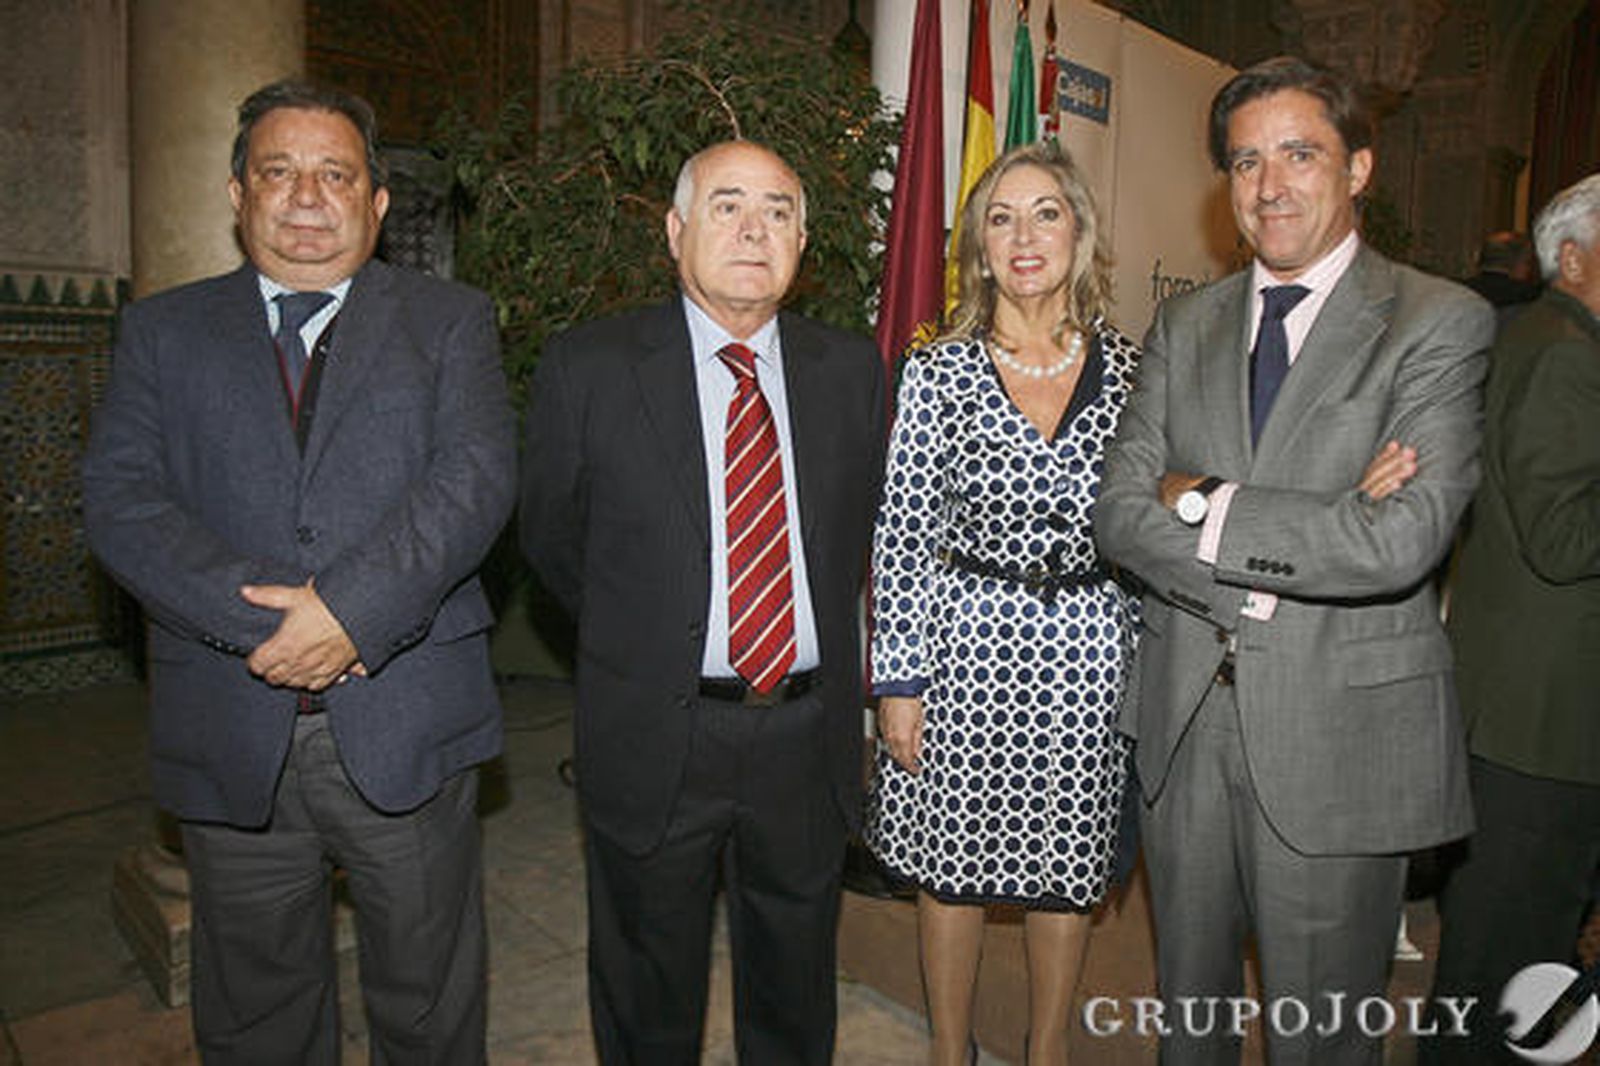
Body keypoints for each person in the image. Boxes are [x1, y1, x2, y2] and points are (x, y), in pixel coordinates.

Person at [81, 80, 514, 1063]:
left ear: (378, 202)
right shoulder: (163, 331)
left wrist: (352, 613)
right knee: (257, 1017)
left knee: (431, 1009)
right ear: (239, 195)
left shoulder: (450, 320)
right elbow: (121, 502)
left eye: (336, 174)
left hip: (408, 717)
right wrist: (279, 628)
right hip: (232, 724)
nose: (307, 196)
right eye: (279, 172)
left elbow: (475, 481)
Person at [1093, 55, 1492, 1065]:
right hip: (1184, 728)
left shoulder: (1437, 321)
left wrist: (1202, 497)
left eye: (1299, 155)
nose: (1269, 186)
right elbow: (1119, 513)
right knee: (1190, 1021)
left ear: (1357, 167)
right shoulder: (1186, 323)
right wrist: (1319, 524)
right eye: (1245, 162)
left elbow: (1398, 540)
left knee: (1321, 1035)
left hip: (1336, 737)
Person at [520, 140, 886, 1064]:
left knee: (796, 993)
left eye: (778, 211)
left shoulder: (851, 372)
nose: (754, 229)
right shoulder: (590, 367)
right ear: (676, 230)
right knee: (648, 993)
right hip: (657, 732)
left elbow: (868, 535)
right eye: (728, 206)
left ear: (803, 243)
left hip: (805, 736)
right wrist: (646, 639)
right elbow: (553, 541)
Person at [866, 141, 1139, 1066]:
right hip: (966, 648)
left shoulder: (1134, 370)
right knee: (952, 872)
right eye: (1001, 218)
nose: (1024, 236)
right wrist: (899, 682)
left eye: (1045, 214)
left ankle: (1046, 1050)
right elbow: (904, 533)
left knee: (1068, 867)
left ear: (1079, 233)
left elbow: (1149, 526)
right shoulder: (938, 371)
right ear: (978, 247)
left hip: (1091, 656)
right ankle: (950, 1052)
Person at [1421, 173, 1600, 1064]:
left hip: (1533, 716)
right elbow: (1563, 538)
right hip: (1540, 727)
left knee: (1509, 954)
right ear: (1572, 257)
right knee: (1505, 960)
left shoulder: (1551, 340)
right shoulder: (1565, 353)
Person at [1462, 230, 1541, 319]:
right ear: (1518, 262)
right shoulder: (1529, 297)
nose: (1529, 270)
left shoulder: (1461, 291)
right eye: (1528, 263)